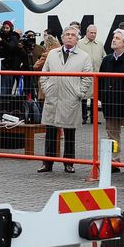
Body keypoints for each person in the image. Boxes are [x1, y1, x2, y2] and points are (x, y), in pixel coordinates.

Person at [38, 27, 92, 174]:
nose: (69, 37)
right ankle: (47, 163)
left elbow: (87, 78)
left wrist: (79, 93)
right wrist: (47, 90)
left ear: (77, 39)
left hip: (70, 98)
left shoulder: (84, 56)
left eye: (73, 35)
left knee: (69, 132)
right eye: (67, 34)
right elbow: (44, 74)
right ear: (62, 38)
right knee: (50, 130)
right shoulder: (52, 54)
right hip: (53, 97)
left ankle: (69, 162)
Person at [98, 29, 124, 170]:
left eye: (118, 38)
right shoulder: (107, 59)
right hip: (110, 103)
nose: (114, 40)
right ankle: (114, 162)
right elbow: (100, 80)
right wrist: (102, 97)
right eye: (113, 37)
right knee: (112, 135)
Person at [77, 24, 105, 123]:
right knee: (84, 96)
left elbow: (103, 56)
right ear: (87, 32)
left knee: (95, 97)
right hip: (84, 75)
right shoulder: (79, 43)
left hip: (97, 75)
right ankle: (84, 117)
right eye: (91, 33)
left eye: (95, 33)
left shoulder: (100, 44)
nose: (93, 35)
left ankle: (94, 118)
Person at [0, 20, 27, 95]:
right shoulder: (0, 36)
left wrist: (1, 41)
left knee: (7, 87)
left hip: (10, 66)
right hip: (0, 65)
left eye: (7, 28)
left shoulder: (14, 37)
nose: (5, 30)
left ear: (11, 28)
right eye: (4, 28)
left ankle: (6, 103)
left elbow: (11, 47)